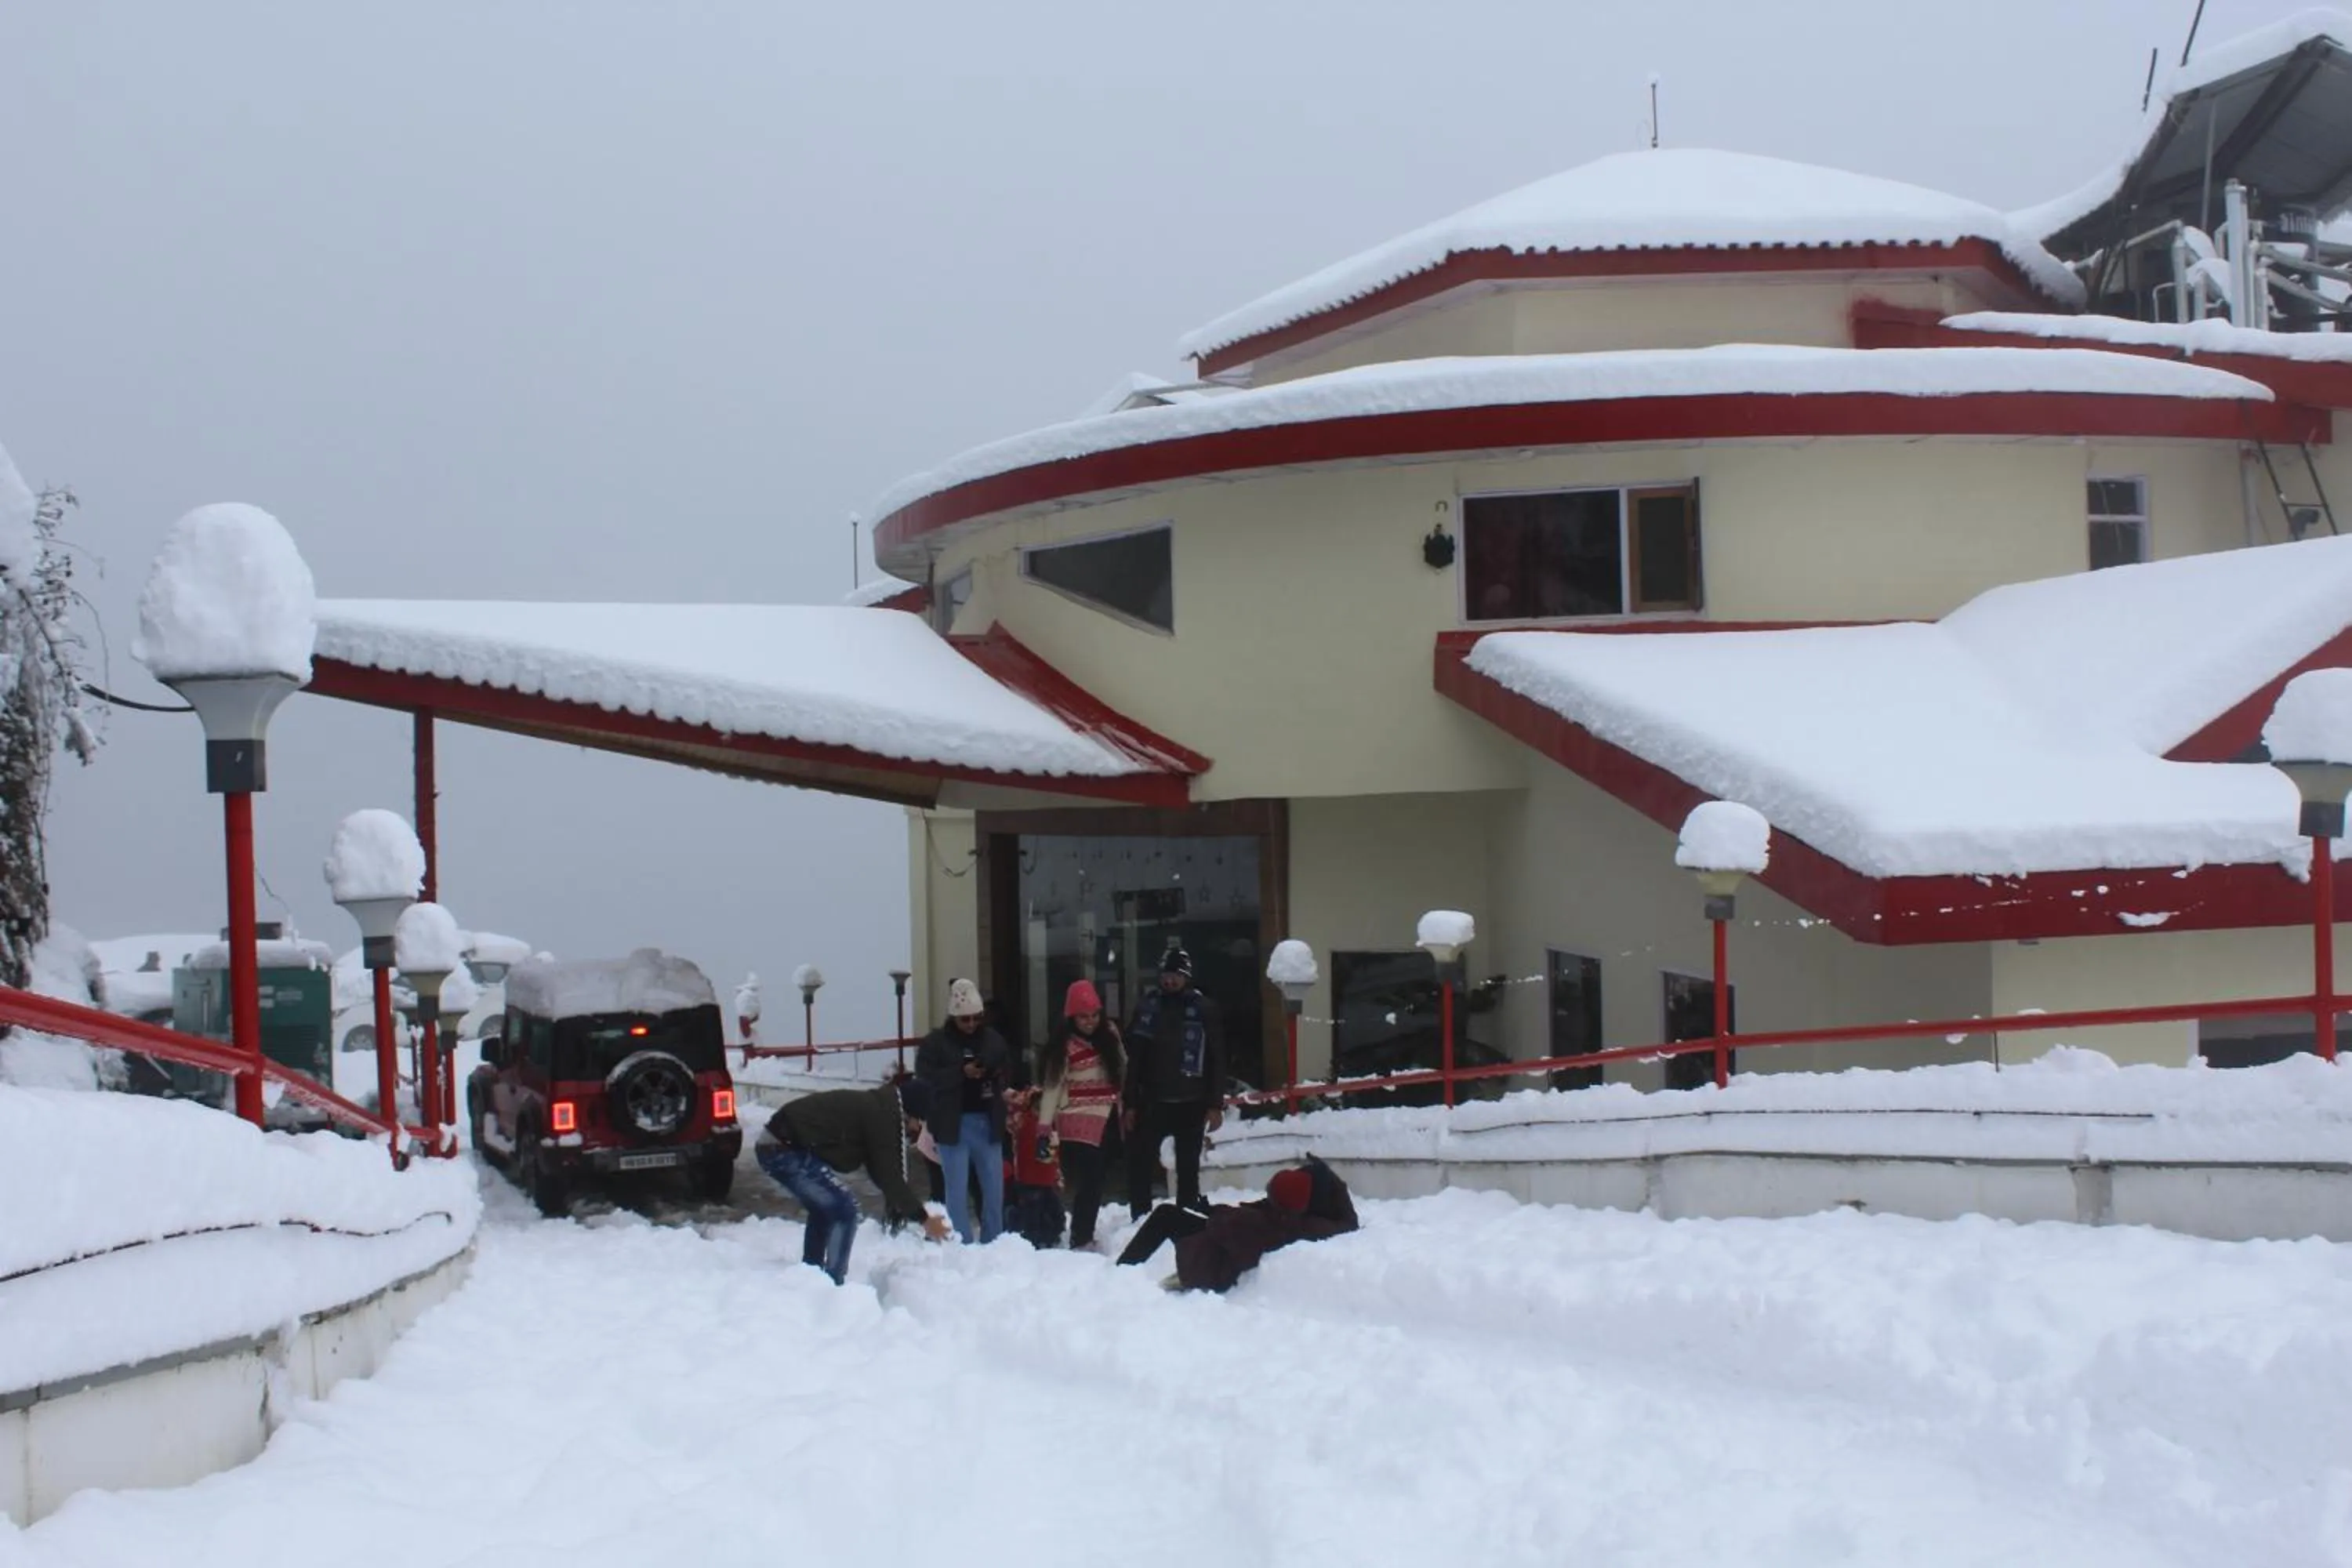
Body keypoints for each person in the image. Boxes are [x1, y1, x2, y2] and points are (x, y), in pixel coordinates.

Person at [755, 1073, 949, 1284]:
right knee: (844, 1210)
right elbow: (888, 1176)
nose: (918, 1128)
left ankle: (810, 1276)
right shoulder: (881, 1115)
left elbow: (881, 1170)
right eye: (920, 1120)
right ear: (910, 1112)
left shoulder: (882, 1108)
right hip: (781, 1147)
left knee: (826, 1209)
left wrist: (908, 1208)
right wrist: (924, 1219)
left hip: (782, 1144)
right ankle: (833, 1283)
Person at [1116, 1156, 1358, 1292]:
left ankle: (1120, 1274)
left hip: (1214, 1256)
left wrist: (1213, 1214)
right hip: (1222, 1242)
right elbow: (1348, 1222)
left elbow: (1226, 1225)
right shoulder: (1301, 1209)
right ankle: (1120, 1273)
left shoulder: (1282, 1222)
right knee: (1168, 1215)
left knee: (1166, 1216)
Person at [1123, 947, 1225, 1218]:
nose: (1170, 980)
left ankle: (1187, 1217)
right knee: (1141, 1164)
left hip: (1192, 1100)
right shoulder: (1147, 1007)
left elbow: (1217, 1057)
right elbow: (1134, 1059)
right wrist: (1130, 1103)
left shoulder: (1204, 1009)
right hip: (1153, 1100)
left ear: (1186, 977)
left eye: (1176, 975)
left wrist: (1216, 1104)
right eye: (1166, 975)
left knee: (1188, 1167)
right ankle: (1140, 1219)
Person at [916, 977, 1014, 1243]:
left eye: (975, 1018)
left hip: (986, 1121)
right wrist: (961, 1072)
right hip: (952, 1124)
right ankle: (961, 1243)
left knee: (994, 1190)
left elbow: (1007, 1069)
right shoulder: (936, 1043)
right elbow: (925, 1078)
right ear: (953, 1018)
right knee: (955, 1192)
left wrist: (992, 1073)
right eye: (965, 1019)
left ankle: (995, 1240)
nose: (971, 1024)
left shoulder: (992, 1040)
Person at [1033, 978, 1124, 1249]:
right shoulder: (1063, 1047)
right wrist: (1044, 1127)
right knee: (1091, 1179)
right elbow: (1052, 1087)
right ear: (1072, 1017)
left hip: (1106, 1115)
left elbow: (1124, 1066)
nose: (1090, 1022)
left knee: (1097, 1179)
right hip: (1077, 1119)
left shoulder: (1108, 1036)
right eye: (1083, 1017)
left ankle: (1083, 1232)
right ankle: (1081, 1236)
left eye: (1095, 1015)